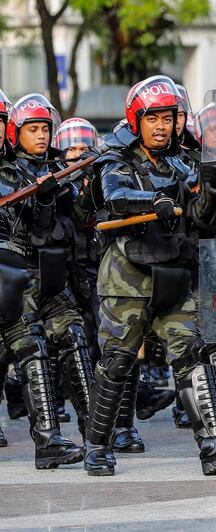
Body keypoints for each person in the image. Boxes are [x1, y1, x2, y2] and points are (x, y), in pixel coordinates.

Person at [84, 75, 216, 477]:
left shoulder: (184, 161)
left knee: (191, 353)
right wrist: (154, 199)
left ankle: (213, 442)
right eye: (153, 117)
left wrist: (212, 190)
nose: (162, 125)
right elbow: (114, 197)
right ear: (137, 120)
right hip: (127, 277)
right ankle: (97, 444)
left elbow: (205, 221)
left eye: (168, 117)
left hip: (175, 273)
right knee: (116, 361)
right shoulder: (113, 158)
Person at [0, 92, 92, 468]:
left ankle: (94, 431)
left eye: (44, 129)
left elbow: (50, 225)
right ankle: (50, 439)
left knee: (69, 336)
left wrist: (54, 197)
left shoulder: (29, 169)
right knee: (26, 346)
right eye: (31, 129)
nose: (39, 136)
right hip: (12, 278)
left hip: (32, 275)